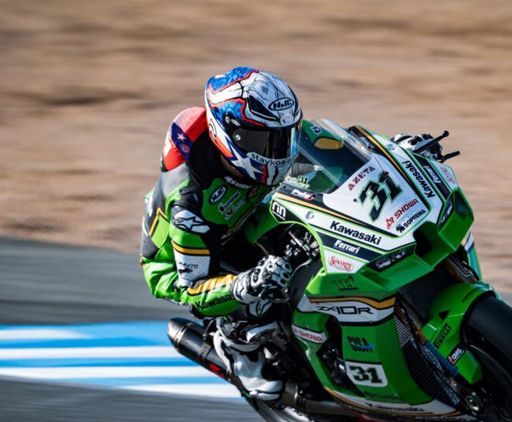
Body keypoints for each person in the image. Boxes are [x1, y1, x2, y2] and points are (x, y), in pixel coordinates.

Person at [141, 66, 438, 400]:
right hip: (193, 258)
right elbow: (193, 288)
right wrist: (245, 283)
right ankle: (238, 351)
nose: (279, 151)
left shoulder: (273, 140)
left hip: (248, 213)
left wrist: (396, 155)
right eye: (264, 142)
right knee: (259, 297)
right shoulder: (190, 203)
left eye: (286, 136)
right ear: (227, 136)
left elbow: (344, 152)